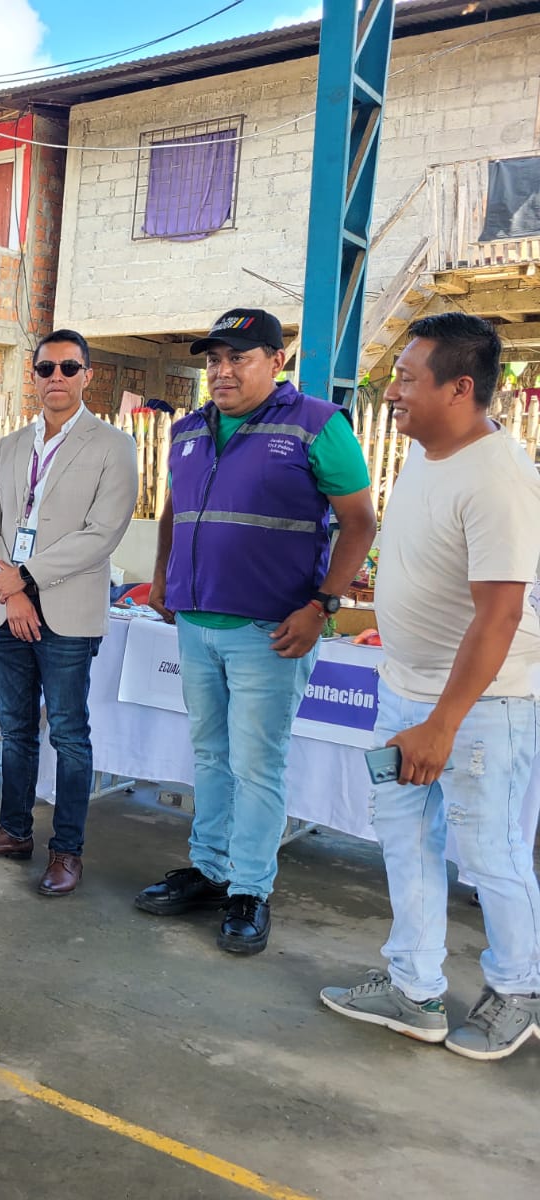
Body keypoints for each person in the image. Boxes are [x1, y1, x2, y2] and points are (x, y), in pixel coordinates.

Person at [319, 313, 540, 1060]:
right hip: (405, 691)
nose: (392, 391)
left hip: (481, 706)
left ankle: (519, 991)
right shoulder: (427, 453)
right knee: (406, 841)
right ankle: (413, 990)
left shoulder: (499, 479)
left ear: (459, 388)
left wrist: (443, 722)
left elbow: (500, 614)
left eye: (408, 379)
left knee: (490, 850)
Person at [137, 307, 376, 954]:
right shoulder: (188, 429)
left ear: (277, 360)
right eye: (214, 360)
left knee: (256, 764)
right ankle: (210, 868)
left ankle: (250, 889)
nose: (222, 371)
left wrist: (322, 606)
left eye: (237, 358)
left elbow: (360, 522)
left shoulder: (316, 425)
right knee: (210, 755)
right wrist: (161, 577)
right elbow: (176, 509)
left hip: (270, 631)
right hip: (196, 622)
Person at [0, 330, 139, 896]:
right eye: (45, 368)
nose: (56, 377)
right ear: (33, 376)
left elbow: (103, 533)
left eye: (68, 367)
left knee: (69, 734)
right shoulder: (10, 446)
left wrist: (27, 578)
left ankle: (67, 851)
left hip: (67, 613)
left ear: (87, 375)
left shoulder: (113, 446)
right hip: (5, 608)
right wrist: (11, 591)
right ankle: (13, 831)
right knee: (15, 730)